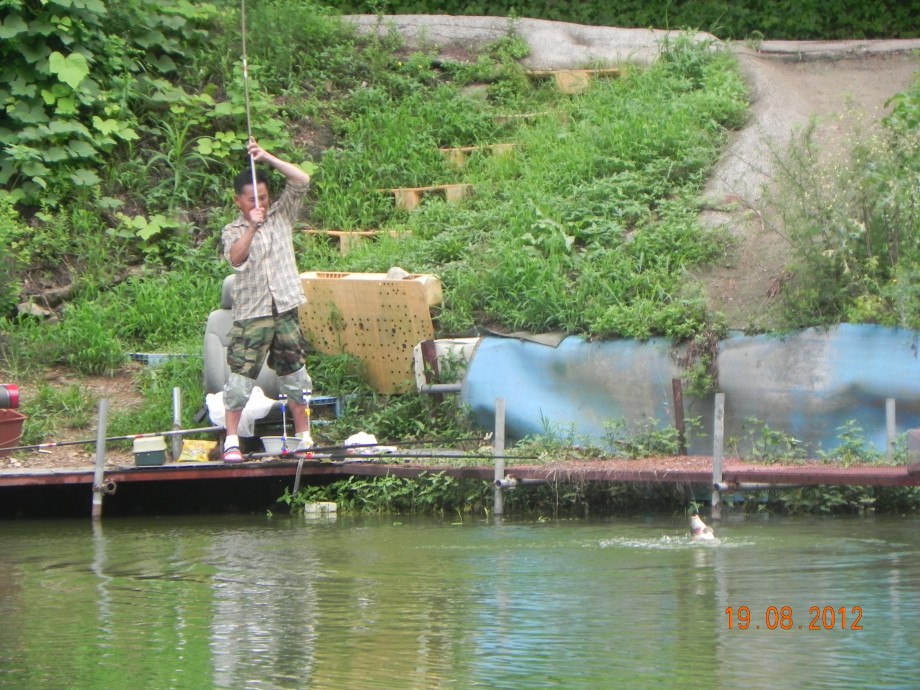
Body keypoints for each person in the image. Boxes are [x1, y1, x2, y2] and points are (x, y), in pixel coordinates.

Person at [219, 139, 313, 463]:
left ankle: (304, 438)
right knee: (240, 379)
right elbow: (235, 258)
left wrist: (266, 157)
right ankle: (232, 441)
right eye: (251, 199)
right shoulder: (232, 229)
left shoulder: (282, 215)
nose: (259, 203)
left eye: (263, 196)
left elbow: (301, 179)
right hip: (252, 314)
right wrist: (252, 227)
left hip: (285, 307)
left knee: (295, 376)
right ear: (238, 201)